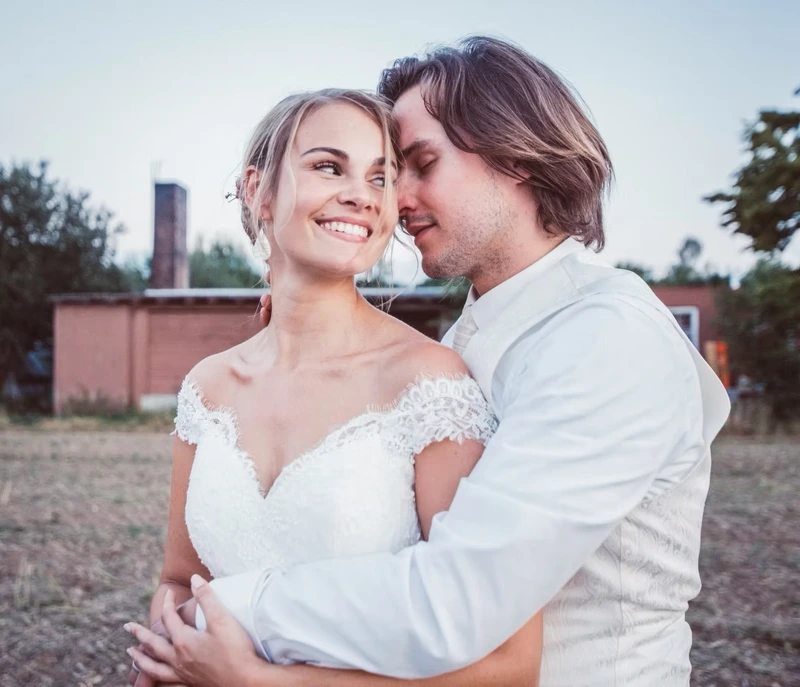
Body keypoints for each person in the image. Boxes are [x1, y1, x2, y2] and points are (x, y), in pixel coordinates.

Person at [127, 37, 731, 686]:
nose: (393, 199)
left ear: (514, 156)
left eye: (416, 165)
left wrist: (231, 623)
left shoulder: (607, 339)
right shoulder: (470, 334)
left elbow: (457, 600)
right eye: (392, 173)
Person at [125, 87, 544, 687]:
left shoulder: (430, 384)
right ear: (258, 190)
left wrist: (251, 681)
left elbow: (508, 666)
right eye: (328, 166)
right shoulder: (208, 388)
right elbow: (180, 582)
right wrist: (164, 653)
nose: (361, 195)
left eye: (380, 177)